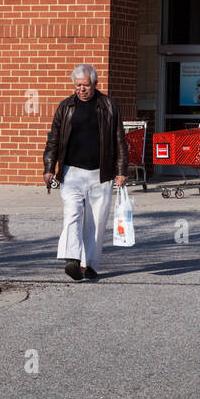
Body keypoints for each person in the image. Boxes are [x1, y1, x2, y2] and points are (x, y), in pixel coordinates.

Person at [43, 64, 128, 280]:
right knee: (72, 214)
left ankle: (88, 264)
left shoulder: (108, 105)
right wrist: (48, 167)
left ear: (95, 85)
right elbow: (53, 138)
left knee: (96, 222)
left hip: (101, 174)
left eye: (86, 85)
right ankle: (72, 259)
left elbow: (119, 139)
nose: (82, 89)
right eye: (78, 85)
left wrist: (121, 170)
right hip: (71, 172)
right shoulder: (65, 107)